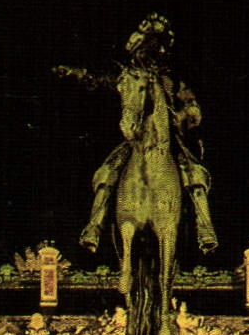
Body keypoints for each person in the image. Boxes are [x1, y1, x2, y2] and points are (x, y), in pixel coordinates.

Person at [59, 14, 217, 254]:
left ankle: (204, 226)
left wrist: (188, 114)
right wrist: (77, 74)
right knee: (107, 172)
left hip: (168, 139)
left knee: (194, 174)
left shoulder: (170, 80)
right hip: (134, 139)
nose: (149, 54)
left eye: (154, 48)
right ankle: (94, 226)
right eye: (145, 48)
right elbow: (101, 81)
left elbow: (190, 103)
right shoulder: (128, 77)